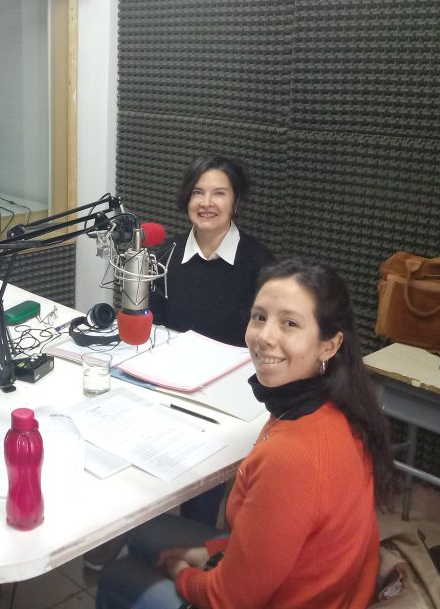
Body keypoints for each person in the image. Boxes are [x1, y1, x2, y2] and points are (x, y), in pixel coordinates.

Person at [98, 260, 394, 609]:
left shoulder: (293, 458)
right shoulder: (333, 406)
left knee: (119, 578)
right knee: (147, 534)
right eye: (259, 317)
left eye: (290, 323)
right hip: (314, 584)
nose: (265, 336)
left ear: (329, 345)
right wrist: (212, 554)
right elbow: (278, 535)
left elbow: (228, 599)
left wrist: (182, 572)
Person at [150, 155, 273, 347]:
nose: (206, 203)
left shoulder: (261, 264)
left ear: (237, 201)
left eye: (219, 194)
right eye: (198, 192)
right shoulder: (167, 254)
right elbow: (154, 324)